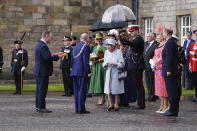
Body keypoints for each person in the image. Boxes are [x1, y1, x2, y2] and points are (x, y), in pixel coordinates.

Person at [34, 31, 62, 113]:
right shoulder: (43, 46)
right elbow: (47, 58)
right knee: (42, 90)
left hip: (40, 71)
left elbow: (46, 56)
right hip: (42, 71)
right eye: (50, 37)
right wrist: (58, 56)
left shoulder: (40, 44)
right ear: (46, 37)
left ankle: (38, 106)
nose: (51, 39)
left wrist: (53, 55)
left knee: (39, 89)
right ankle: (41, 107)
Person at [121, 25, 145, 109]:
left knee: (139, 85)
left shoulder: (138, 39)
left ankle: (141, 104)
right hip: (134, 64)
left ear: (136, 31)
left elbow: (131, 43)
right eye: (130, 32)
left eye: (132, 32)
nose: (130, 33)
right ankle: (139, 103)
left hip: (137, 64)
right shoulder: (134, 39)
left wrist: (121, 38)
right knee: (137, 84)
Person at [70, 33, 91, 114]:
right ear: (86, 38)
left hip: (74, 72)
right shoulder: (86, 46)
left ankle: (77, 108)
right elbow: (85, 61)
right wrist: (88, 72)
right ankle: (81, 109)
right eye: (89, 38)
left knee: (76, 91)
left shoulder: (75, 47)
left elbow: (72, 61)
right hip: (82, 72)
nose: (89, 40)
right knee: (82, 91)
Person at [103, 39, 125, 112]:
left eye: (110, 45)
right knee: (108, 89)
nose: (108, 47)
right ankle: (111, 104)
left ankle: (116, 104)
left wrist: (115, 63)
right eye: (107, 45)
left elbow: (122, 64)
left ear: (113, 46)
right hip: (108, 72)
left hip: (116, 72)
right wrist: (105, 64)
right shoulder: (106, 52)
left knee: (116, 88)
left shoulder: (118, 52)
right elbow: (104, 63)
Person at [162, 28, 179, 117]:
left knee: (171, 92)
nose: (163, 34)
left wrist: (168, 70)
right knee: (173, 91)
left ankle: (173, 110)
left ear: (167, 33)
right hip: (171, 70)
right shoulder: (172, 41)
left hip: (169, 71)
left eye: (163, 33)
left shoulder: (169, 43)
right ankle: (174, 110)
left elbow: (169, 57)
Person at [151, 32, 168, 113]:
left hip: (161, 68)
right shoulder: (158, 44)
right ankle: (161, 105)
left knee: (163, 88)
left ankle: (166, 105)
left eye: (159, 35)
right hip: (156, 70)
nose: (157, 37)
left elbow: (162, 57)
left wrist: (156, 64)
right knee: (159, 89)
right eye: (157, 35)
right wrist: (152, 63)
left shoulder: (165, 45)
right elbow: (155, 56)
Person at [118, 31, 137, 107]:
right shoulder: (120, 47)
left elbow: (127, 58)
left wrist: (121, 58)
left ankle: (126, 101)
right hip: (121, 68)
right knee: (121, 84)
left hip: (127, 68)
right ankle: (121, 100)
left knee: (126, 85)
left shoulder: (128, 47)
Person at [89, 33, 106, 105]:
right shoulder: (94, 48)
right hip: (95, 66)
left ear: (102, 39)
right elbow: (92, 55)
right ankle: (100, 97)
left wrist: (98, 60)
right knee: (97, 82)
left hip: (101, 66)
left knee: (100, 81)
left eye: (100, 39)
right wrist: (91, 61)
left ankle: (102, 98)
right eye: (97, 39)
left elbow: (106, 57)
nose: (98, 40)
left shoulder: (104, 47)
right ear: (95, 40)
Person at [144, 32, 158, 102]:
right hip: (146, 65)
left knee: (152, 81)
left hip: (151, 66)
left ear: (152, 37)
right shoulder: (146, 44)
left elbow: (155, 56)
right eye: (147, 36)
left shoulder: (155, 45)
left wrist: (154, 66)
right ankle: (150, 95)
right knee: (148, 81)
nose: (147, 37)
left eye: (148, 36)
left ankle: (153, 95)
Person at [172, 35, 186, 101]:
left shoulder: (180, 48)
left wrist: (180, 66)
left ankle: (178, 95)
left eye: (174, 40)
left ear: (176, 41)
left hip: (177, 68)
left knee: (178, 82)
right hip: (171, 68)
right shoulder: (170, 48)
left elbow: (183, 60)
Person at [189, 29, 197, 102]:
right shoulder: (192, 45)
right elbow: (191, 56)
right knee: (195, 82)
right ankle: (196, 95)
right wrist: (190, 65)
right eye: (195, 35)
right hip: (194, 67)